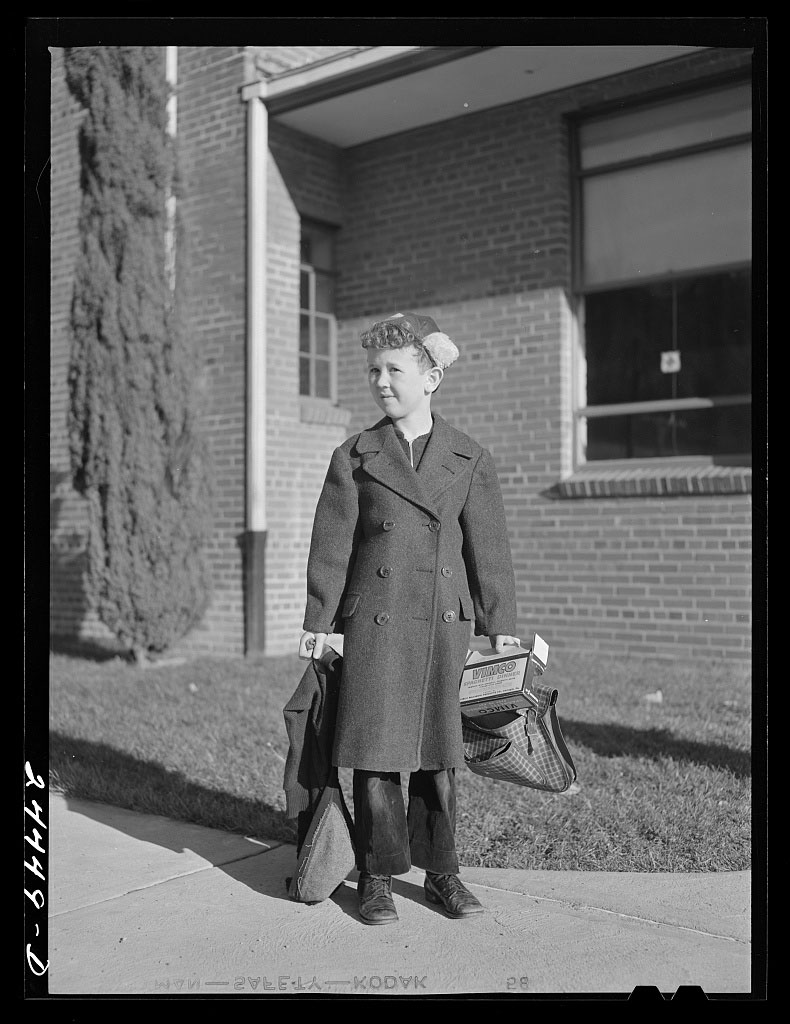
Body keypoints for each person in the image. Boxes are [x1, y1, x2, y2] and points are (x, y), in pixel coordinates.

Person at [299, 311, 520, 925]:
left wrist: (499, 621)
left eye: (395, 370)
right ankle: (376, 878)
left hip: (442, 626)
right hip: (374, 624)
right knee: (375, 754)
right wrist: (320, 618)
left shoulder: (469, 458)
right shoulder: (355, 455)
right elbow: (332, 544)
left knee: (440, 758)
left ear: (432, 377)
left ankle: (443, 874)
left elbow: (489, 550)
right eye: (374, 371)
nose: (381, 382)